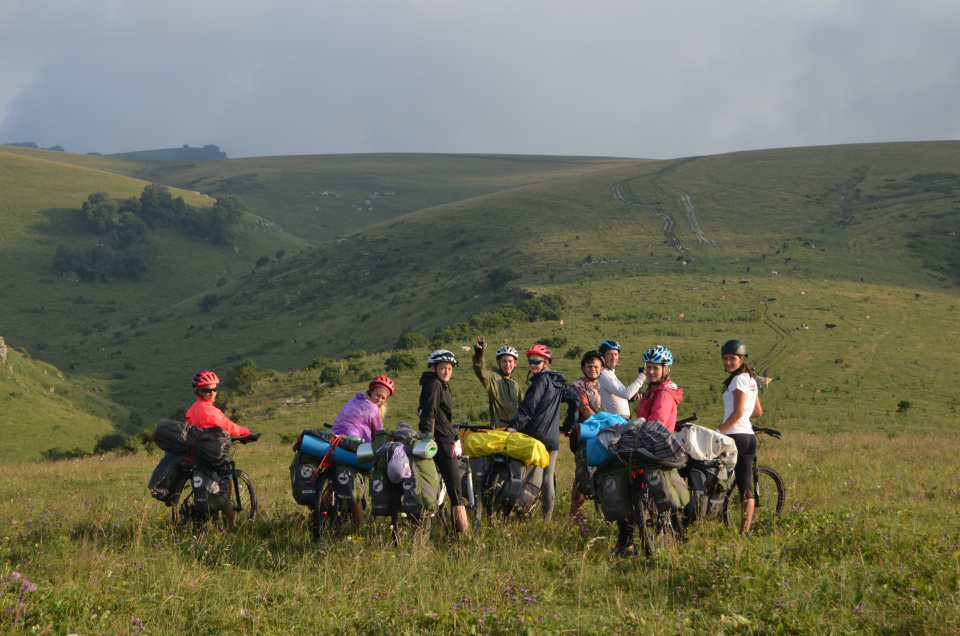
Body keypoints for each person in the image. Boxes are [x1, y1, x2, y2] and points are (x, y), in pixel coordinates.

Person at [614, 345, 683, 555]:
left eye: (655, 368)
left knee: (626, 489)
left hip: (653, 449)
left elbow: (656, 425)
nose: (651, 372)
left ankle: (626, 544)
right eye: (648, 368)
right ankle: (629, 542)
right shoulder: (653, 392)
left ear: (666, 370)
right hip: (650, 448)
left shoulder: (662, 394)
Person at [510, 344, 580, 521]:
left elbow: (528, 408)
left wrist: (514, 427)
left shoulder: (541, 381)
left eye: (536, 361)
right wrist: (569, 424)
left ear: (546, 363)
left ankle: (522, 513)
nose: (532, 365)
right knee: (548, 480)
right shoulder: (557, 383)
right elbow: (575, 399)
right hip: (552, 439)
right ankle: (546, 520)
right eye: (530, 361)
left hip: (535, 438)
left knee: (532, 479)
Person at [186, 370, 256, 528]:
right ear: (199, 391)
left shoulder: (192, 410)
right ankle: (230, 532)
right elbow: (229, 427)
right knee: (226, 497)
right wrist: (247, 433)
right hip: (214, 457)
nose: (211, 393)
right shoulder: (211, 412)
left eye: (214, 389)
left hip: (197, 456)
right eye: (207, 390)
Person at [330, 375, 394, 530]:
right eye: (377, 395)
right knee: (357, 484)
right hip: (352, 444)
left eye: (382, 398)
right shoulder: (372, 408)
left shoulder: (353, 400)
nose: (379, 400)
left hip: (334, 440)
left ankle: (323, 512)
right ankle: (357, 530)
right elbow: (378, 433)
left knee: (332, 479)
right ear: (370, 392)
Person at [418, 350, 469, 535]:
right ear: (433, 368)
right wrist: (427, 438)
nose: (447, 371)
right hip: (441, 442)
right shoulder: (435, 385)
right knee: (457, 494)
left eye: (449, 368)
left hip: (441, 438)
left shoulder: (434, 384)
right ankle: (464, 537)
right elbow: (429, 412)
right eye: (442, 368)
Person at [717, 339, 762, 536]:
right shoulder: (751, 379)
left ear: (742, 359)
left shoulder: (737, 380)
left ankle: (710, 513)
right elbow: (757, 411)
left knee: (712, 475)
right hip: (749, 437)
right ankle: (744, 531)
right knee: (745, 484)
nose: (728, 362)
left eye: (732, 359)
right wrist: (742, 416)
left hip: (734, 436)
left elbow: (737, 412)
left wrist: (719, 431)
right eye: (725, 358)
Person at [568, 350, 604, 529]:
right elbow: (585, 410)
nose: (592, 369)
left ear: (602, 369)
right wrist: (605, 423)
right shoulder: (578, 385)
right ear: (583, 368)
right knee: (582, 472)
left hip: (597, 432)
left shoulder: (599, 386)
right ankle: (575, 512)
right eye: (589, 366)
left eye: (596, 366)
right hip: (581, 432)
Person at [472, 337, 522, 428]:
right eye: (504, 361)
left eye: (510, 361)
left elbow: (523, 408)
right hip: (497, 430)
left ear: (515, 363)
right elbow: (480, 371)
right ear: (498, 362)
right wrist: (479, 355)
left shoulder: (516, 385)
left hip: (514, 432)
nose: (507, 365)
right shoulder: (492, 378)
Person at [596, 340, 645, 418]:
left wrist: (631, 399)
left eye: (616, 354)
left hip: (621, 419)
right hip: (617, 420)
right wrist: (643, 375)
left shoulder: (610, 373)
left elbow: (621, 396)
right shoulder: (603, 374)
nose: (613, 358)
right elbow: (626, 394)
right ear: (603, 357)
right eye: (610, 354)